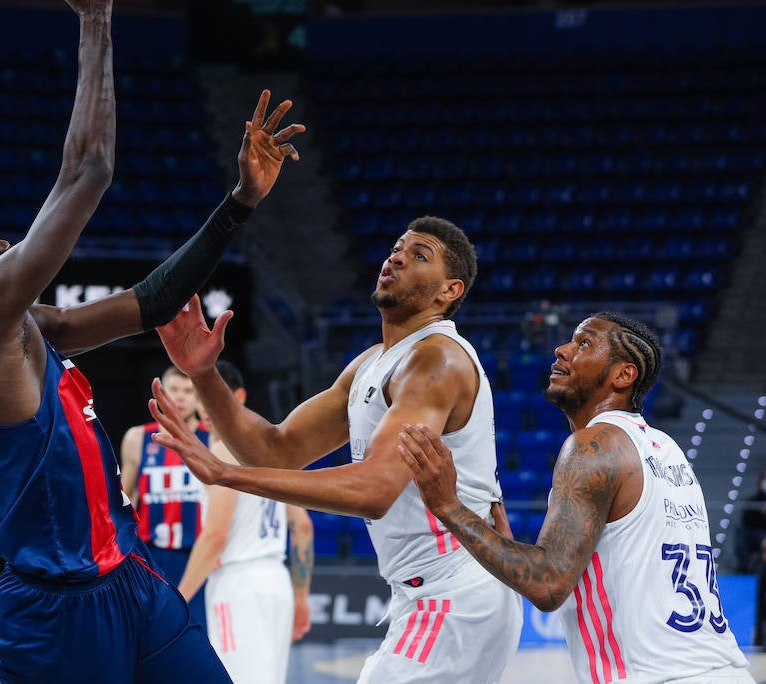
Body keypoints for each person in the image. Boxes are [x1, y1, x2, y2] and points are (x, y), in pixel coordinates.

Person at [0, 0, 304, 683]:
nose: (5, 242)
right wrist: (97, 16)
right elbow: (88, 171)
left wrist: (240, 204)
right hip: (56, 609)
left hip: (130, 580)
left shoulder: (28, 327)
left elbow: (150, 302)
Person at [149, 218, 522, 684]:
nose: (397, 257)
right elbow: (275, 450)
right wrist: (204, 375)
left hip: (456, 593)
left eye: (419, 255)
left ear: (449, 291)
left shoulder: (437, 359)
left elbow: (374, 489)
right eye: (396, 247)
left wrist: (224, 474)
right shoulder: (372, 362)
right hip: (429, 593)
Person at [398, 311, 754, 684]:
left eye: (584, 343)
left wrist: (447, 505)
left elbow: (548, 585)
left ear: (623, 375)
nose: (562, 350)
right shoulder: (666, 449)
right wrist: (506, 546)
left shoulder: (593, 446)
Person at [175, 360, 314, 684]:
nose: (203, 405)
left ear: (237, 397)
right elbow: (303, 526)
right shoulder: (269, 448)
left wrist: (177, 600)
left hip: (239, 583)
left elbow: (215, 537)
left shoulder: (224, 451)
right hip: (275, 582)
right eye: (201, 396)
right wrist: (301, 597)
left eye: (211, 395)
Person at [120, 364, 211, 626]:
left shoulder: (213, 439)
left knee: (200, 637)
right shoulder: (138, 438)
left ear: (198, 398)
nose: (181, 397)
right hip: (152, 556)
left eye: (188, 391)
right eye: (174, 389)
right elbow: (124, 501)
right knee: (150, 636)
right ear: (161, 394)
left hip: (197, 555)